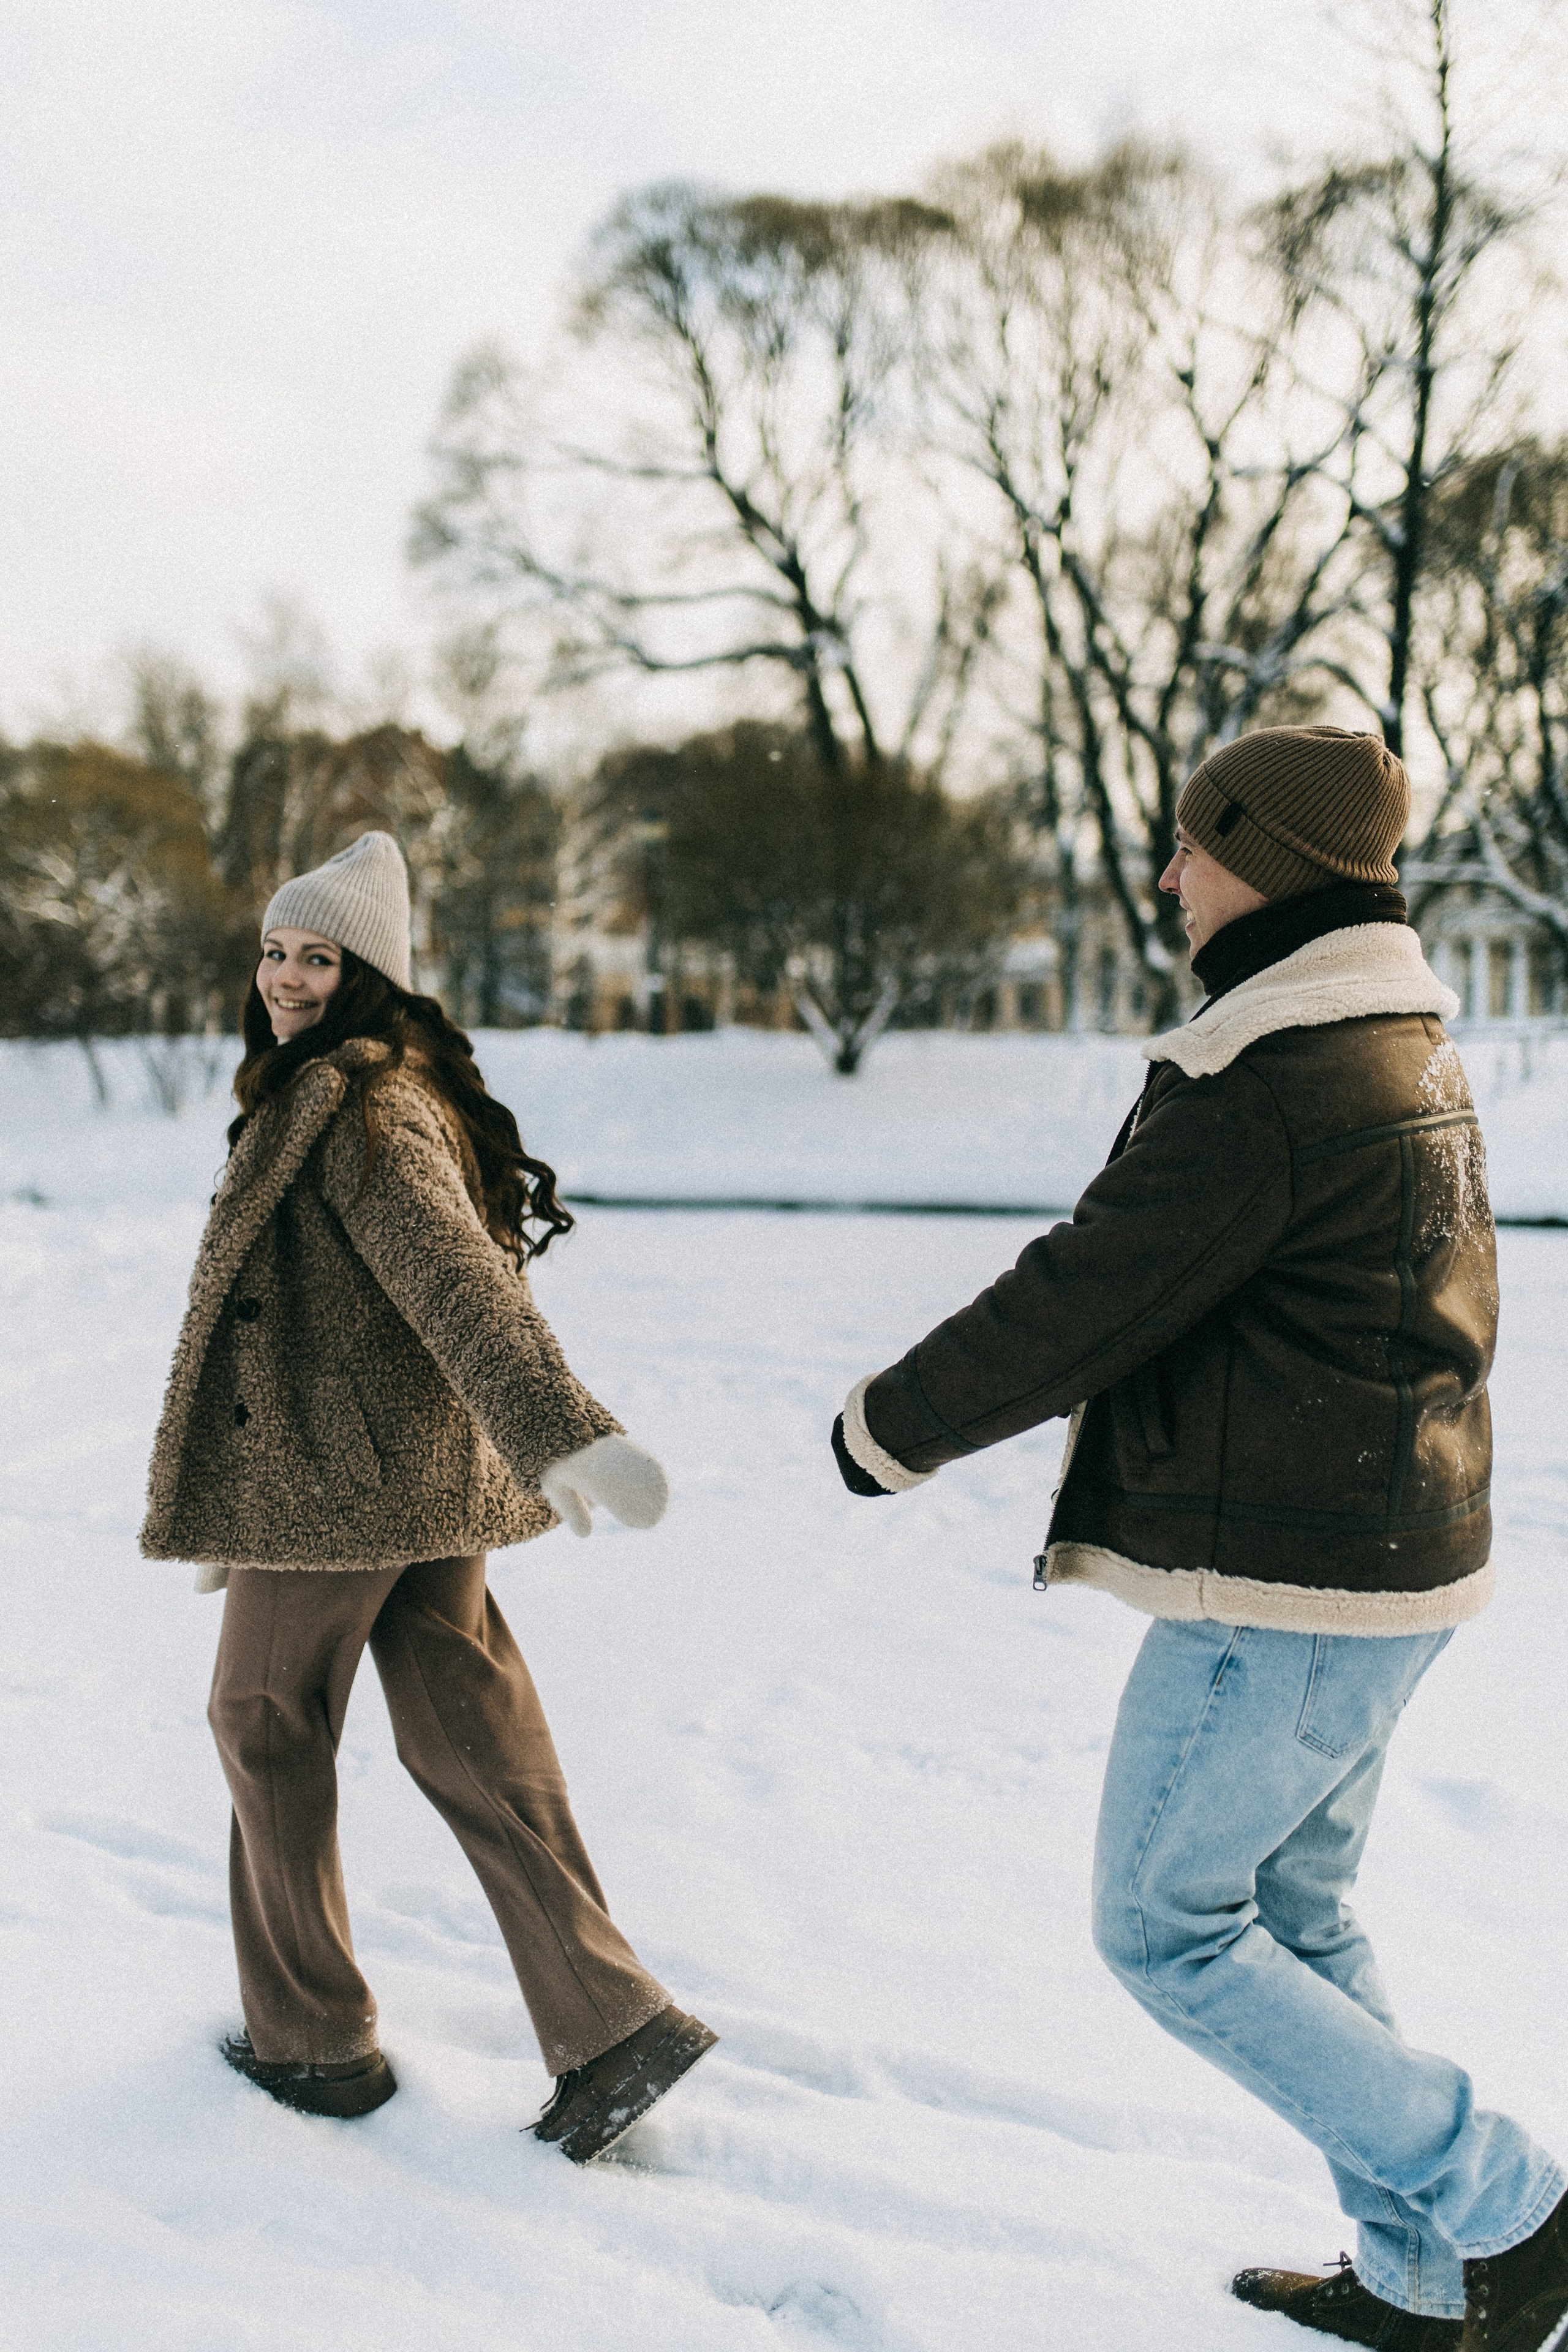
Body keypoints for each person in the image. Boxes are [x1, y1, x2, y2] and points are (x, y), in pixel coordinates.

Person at [831, 728, 1568, 2351]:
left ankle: (1509, 2200)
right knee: (1299, 1917)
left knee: (1166, 1921)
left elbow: (1087, 1292)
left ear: (1269, 857)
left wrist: (888, 1428)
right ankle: (1432, 2271)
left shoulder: (1272, 1078)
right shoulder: (1399, 1042)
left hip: (1294, 1587)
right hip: (1394, 1555)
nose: (1169, 874)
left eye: (1193, 843)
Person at [141, 830, 715, 2162]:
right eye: (276, 951)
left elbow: (457, 1281)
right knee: (468, 1727)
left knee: (260, 1719)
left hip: (338, 1489)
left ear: (370, 973)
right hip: (409, 1476)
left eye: (317, 956)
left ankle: (309, 2045)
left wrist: (564, 1434)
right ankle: (611, 2024)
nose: (286, 976)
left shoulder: (353, 1104)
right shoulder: (374, 1086)